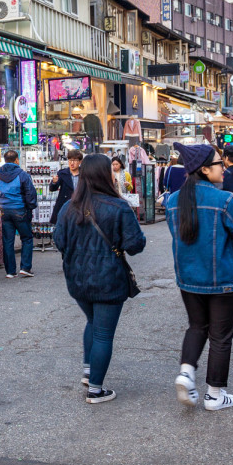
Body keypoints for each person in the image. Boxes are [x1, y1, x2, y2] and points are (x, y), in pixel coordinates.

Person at [166, 143, 233, 412]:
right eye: (219, 164)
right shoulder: (226, 200)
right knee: (220, 336)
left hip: (188, 277)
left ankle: (186, 372)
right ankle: (215, 395)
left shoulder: (172, 201)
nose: (224, 168)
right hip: (223, 278)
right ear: (204, 169)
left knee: (196, 326)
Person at [52, 155, 146, 404]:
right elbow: (136, 245)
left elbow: (58, 241)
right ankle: (95, 389)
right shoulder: (119, 207)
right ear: (108, 175)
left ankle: (88, 370)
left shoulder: (68, 207)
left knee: (92, 321)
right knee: (103, 333)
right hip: (109, 279)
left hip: (77, 278)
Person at [0, 148, 38, 278]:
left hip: (4, 211)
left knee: (7, 241)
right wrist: (30, 207)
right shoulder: (22, 175)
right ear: (17, 160)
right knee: (26, 238)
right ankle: (25, 267)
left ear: (5, 161)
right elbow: (30, 194)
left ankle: (10, 271)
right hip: (20, 210)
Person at [48, 149, 83, 226]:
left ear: (80, 161)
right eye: (70, 160)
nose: (72, 163)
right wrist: (54, 182)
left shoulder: (85, 174)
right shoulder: (62, 173)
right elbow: (52, 189)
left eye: (75, 160)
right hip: (64, 205)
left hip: (80, 206)